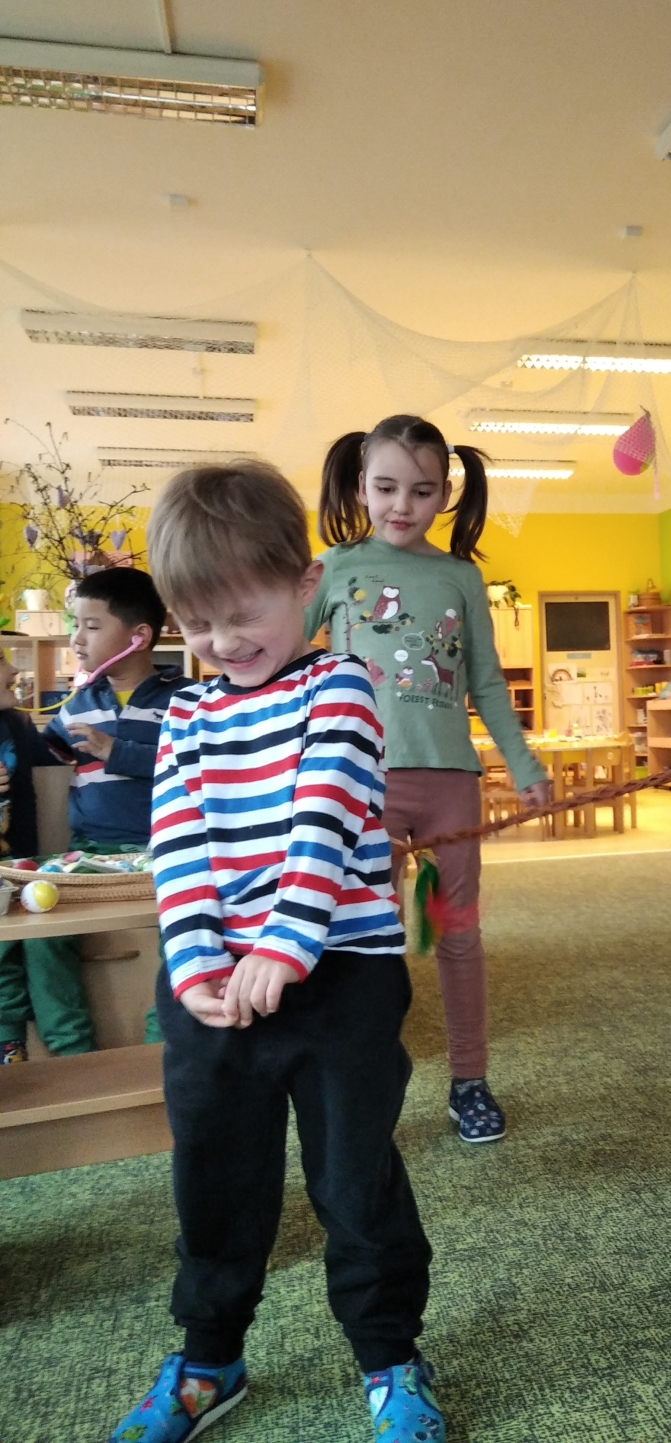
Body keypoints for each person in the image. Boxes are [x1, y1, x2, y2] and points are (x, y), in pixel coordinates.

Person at [108, 460, 444, 1443]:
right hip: (217, 992)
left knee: (353, 1178)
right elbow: (178, 843)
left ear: (305, 585)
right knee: (214, 1175)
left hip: (338, 977)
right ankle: (209, 1358)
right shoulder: (186, 715)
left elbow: (324, 816)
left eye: (241, 613)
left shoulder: (341, 686)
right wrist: (195, 965)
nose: (221, 643)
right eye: (196, 624)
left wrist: (288, 942)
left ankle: (389, 1356)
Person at [310, 415, 550, 1144]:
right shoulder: (333, 568)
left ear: (444, 494)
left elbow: (485, 682)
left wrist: (524, 764)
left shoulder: (459, 576)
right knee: (370, 939)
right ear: (361, 486)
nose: (402, 505)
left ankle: (469, 1079)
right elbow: (286, 657)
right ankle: (366, 1078)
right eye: (385, 488)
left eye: (420, 491)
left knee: (456, 934)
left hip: (450, 789)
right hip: (366, 788)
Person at [44, 565, 191, 1046]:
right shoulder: (76, 704)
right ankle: (72, 1052)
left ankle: (159, 1048)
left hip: (164, 853)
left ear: (138, 636)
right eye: (75, 625)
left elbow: (197, 765)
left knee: (187, 938)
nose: (76, 639)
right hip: (89, 854)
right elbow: (44, 759)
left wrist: (116, 751)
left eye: (91, 625)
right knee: (39, 935)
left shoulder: (185, 700)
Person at [0, 657, 94, 1062]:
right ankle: (10, 1051)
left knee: (42, 954)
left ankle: (75, 1058)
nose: (12, 671)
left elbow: (60, 760)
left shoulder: (16, 725)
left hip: (21, 871)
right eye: (0, 662)